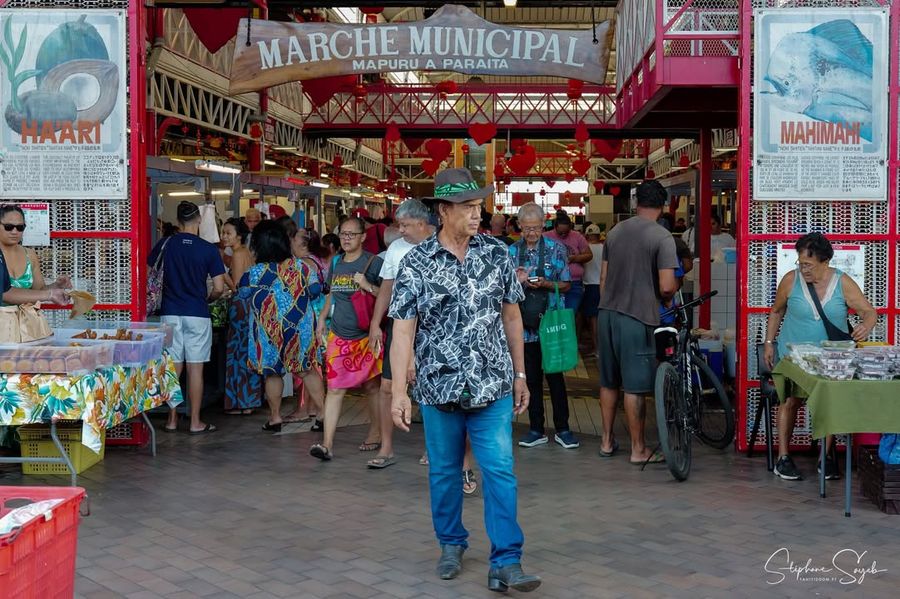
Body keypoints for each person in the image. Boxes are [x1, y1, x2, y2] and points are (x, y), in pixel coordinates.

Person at [389, 168, 540, 593]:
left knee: (499, 471)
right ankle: (451, 543)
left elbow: (512, 314)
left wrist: (520, 374)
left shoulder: (495, 253)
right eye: (468, 208)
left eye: (479, 207)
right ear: (443, 211)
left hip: (491, 384)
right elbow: (402, 329)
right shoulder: (416, 262)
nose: (478, 215)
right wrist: (399, 391)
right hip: (438, 387)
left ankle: (507, 560)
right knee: (444, 472)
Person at [763, 232, 876, 481]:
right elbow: (776, 311)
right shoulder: (790, 280)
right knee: (790, 400)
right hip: (792, 354)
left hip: (830, 357)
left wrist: (866, 324)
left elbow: (869, 311)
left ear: (825, 262)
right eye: (800, 263)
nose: (803, 269)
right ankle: (783, 457)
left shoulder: (842, 282)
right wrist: (769, 343)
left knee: (829, 401)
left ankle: (825, 456)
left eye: (808, 264)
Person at [597, 180, 679, 464]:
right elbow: (667, 286)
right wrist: (666, 301)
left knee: (608, 382)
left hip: (606, 313)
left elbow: (603, 279)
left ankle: (607, 442)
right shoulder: (662, 237)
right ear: (663, 205)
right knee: (634, 386)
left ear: (636, 203)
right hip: (637, 317)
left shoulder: (616, 232)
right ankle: (638, 449)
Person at [240, 221, 327, 433]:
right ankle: (324, 414)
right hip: (299, 331)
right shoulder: (302, 268)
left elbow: (242, 293)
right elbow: (316, 291)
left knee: (272, 373)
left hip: (267, 334)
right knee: (306, 370)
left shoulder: (253, 273)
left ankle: (276, 418)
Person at [367, 199, 434, 469]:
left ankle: (433, 448)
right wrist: (375, 323)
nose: (401, 230)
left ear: (421, 223)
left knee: (428, 387)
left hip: (431, 327)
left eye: (405, 225)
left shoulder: (438, 245)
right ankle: (386, 447)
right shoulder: (396, 248)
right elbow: (386, 287)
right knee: (388, 386)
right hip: (400, 324)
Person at [309, 216, 384, 461]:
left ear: (363, 236)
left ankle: (375, 433)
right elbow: (331, 294)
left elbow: (386, 297)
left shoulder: (373, 262)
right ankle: (327, 444)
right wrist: (322, 319)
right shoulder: (337, 262)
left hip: (365, 337)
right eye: (343, 234)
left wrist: (367, 285)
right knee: (335, 388)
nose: (347, 238)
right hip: (339, 337)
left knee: (372, 387)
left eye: (352, 234)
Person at [148, 201, 227, 434]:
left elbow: (149, 275)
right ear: (199, 220)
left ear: (179, 220)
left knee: (174, 368)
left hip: (170, 313)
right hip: (198, 314)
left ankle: (172, 419)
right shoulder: (208, 249)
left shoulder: (165, 244)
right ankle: (195, 422)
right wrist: (208, 298)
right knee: (196, 369)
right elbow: (220, 287)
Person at [509, 203, 577, 450]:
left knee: (556, 378)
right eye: (527, 228)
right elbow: (502, 291)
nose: (531, 233)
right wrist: (519, 282)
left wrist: (547, 283)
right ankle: (536, 428)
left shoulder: (556, 249)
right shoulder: (511, 251)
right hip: (523, 328)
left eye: (536, 228)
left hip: (550, 324)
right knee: (531, 379)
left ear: (543, 224)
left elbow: (567, 285)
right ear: (519, 226)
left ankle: (564, 429)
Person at [280, 223, 329, 428]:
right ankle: (311, 408)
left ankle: (307, 409)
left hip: (308, 318)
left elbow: (310, 291)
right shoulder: (316, 260)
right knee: (311, 364)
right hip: (317, 316)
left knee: (306, 365)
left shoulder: (304, 264)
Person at [221, 217, 260, 416]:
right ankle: (248, 400)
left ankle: (240, 401)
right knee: (247, 351)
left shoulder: (237, 254)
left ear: (239, 235)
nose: (224, 236)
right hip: (250, 305)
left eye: (228, 232)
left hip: (240, 306)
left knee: (237, 353)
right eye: (223, 232)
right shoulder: (246, 253)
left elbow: (236, 285)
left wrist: (220, 273)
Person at [0, 206, 68, 306]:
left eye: (20, 227)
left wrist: (56, 285)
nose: (14, 232)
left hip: (26, 319)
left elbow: (39, 290)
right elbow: (5, 294)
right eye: (8, 227)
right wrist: (49, 294)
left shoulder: (30, 254)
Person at [543, 212, 592, 312]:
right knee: (553, 314)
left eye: (566, 232)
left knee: (569, 314)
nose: (563, 235)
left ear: (570, 227)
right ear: (555, 227)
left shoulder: (577, 236)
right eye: (560, 233)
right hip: (552, 282)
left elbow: (589, 255)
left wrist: (575, 258)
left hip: (574, 282)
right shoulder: (545, 237)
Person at [581, 223, 604, 354]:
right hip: (603, 285)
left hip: (590, 286)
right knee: (601, 318)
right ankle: (602, 347)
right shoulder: (604, 248)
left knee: (593, 320)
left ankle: (597, 348)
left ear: (587, 235)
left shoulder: (585, 249)